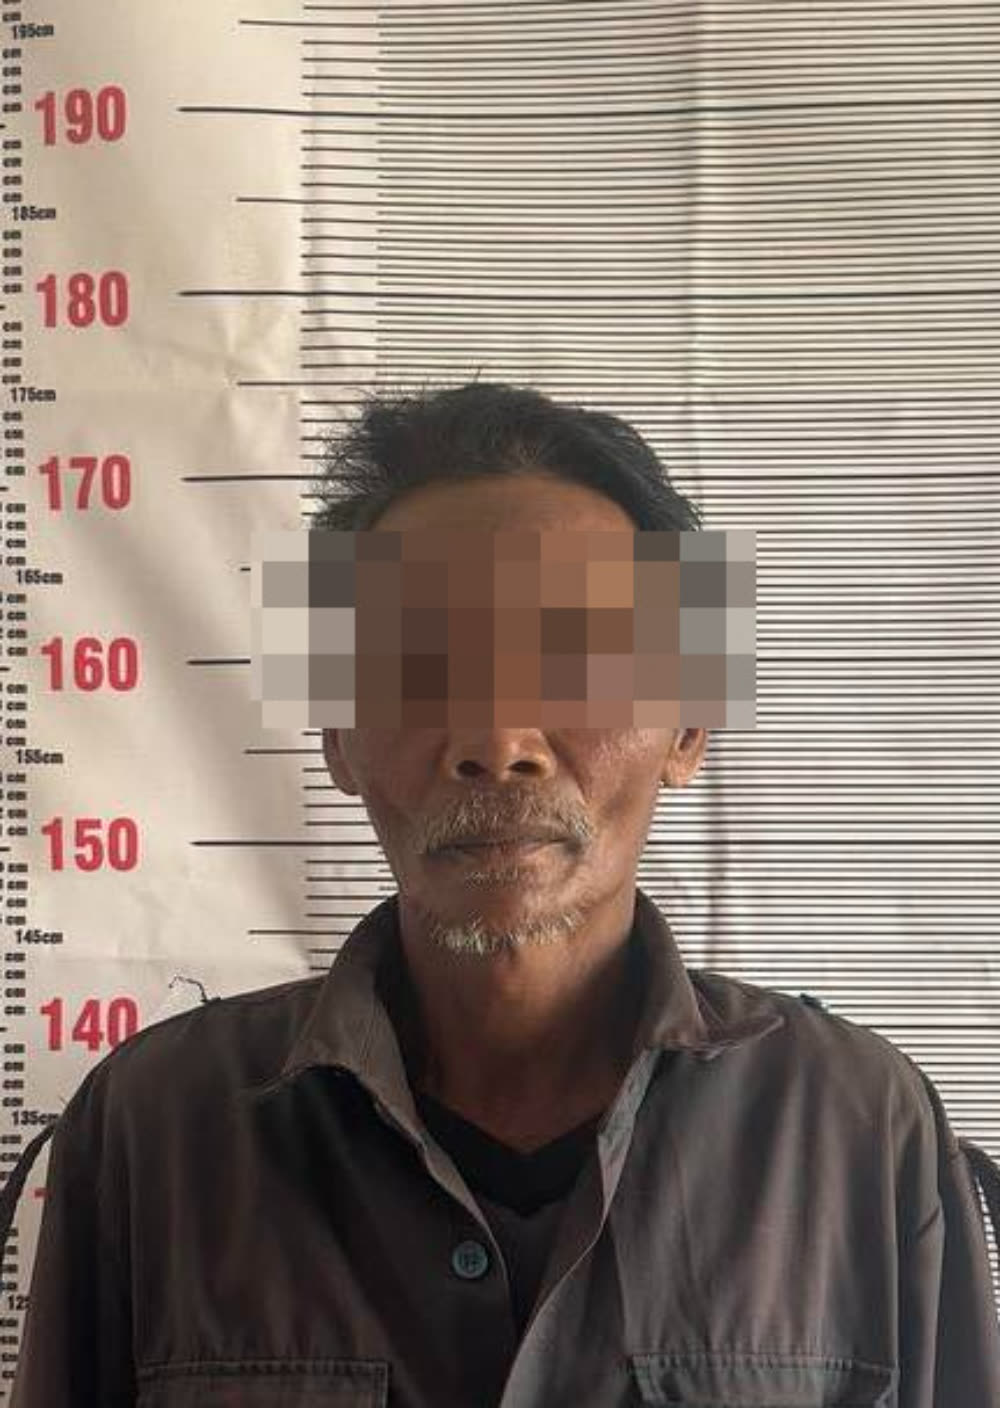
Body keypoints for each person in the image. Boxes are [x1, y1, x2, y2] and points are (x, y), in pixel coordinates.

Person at [5, 381, 999, 1407]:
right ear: (338, 735)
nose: (498, 740)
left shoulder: (859, 1128)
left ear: (688, 726)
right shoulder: (154, 1129)